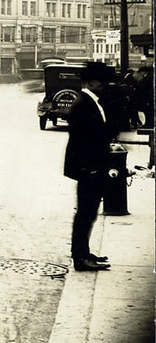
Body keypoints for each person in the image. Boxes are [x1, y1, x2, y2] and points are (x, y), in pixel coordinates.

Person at [63, 61, 115, 271]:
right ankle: (80, 257)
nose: (105, 85)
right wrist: (89, 168)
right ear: (91, 82)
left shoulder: (91, 101)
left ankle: (84, 252)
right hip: (89, 169)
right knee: (85, 213)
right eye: (102, 81)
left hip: (92, 167)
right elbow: (80, 141)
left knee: (89, 212)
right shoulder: (83, 104)